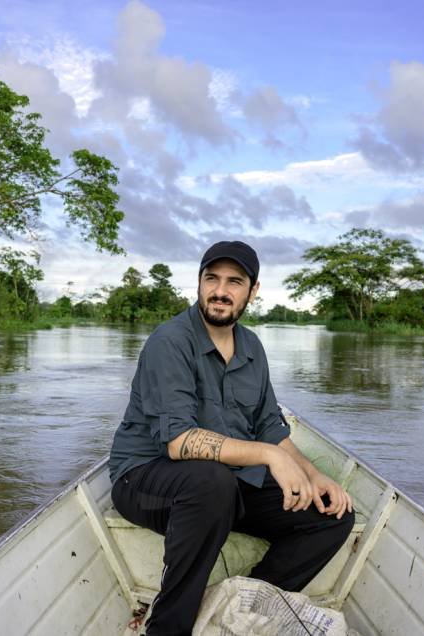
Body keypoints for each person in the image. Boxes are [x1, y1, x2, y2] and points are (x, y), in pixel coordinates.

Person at [108, 240, 355, 636]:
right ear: (200, 283)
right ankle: (168, 628)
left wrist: (312, 476)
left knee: (331, 514)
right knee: (211, 481)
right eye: (212, 278)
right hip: (144, 479)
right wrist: (268, 457)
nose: (220, 291)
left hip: (225, 482)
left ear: (252, 291)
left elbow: (271, 428)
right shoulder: (169, 342)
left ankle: (242, 607)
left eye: (234, 281)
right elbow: (178, 443)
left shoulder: (253, 346)